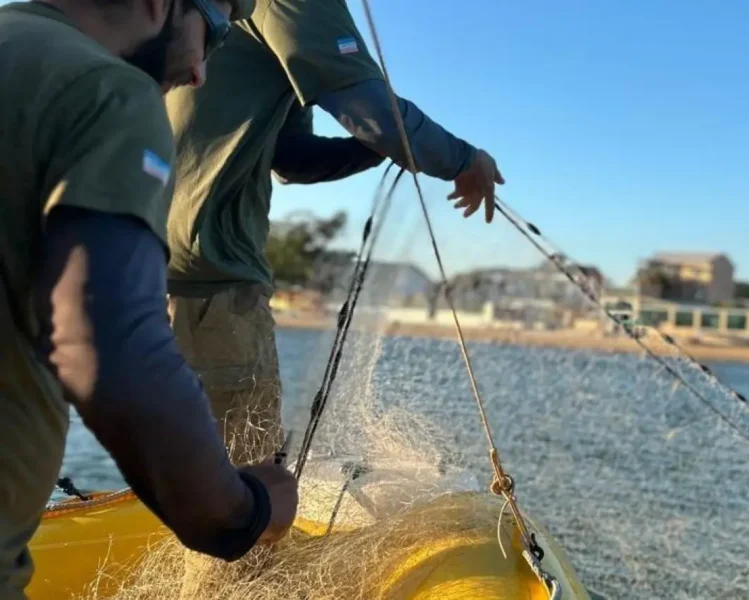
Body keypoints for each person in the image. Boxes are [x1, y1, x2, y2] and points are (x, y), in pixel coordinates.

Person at [0, 0, 300, 595]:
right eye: (214, 34)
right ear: (158, 4)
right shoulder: (108, 91)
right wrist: (243, 511)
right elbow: (107, 348)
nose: (198, 76)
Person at [164, 0, 504, 465]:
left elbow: (292, 158)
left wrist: (382, 148)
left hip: (135, 283)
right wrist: (465, 160)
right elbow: (373, 113)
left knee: (184, 480)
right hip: (211, 290)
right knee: (242, 495)